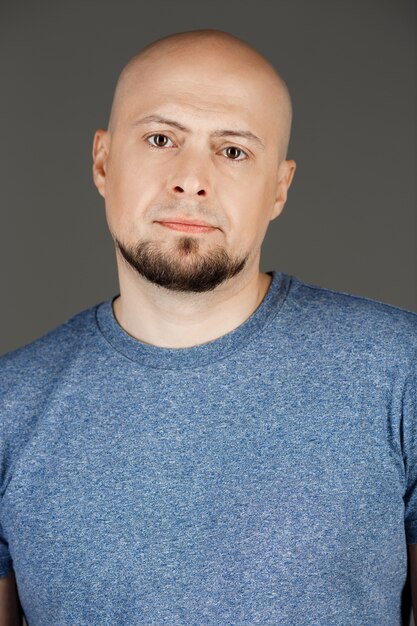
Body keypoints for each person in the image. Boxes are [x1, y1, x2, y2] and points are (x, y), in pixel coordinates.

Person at [0, 28, 416, 626]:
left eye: (233, 151)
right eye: (162, 137)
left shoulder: (402, 372)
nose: (191, 179)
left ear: (279, 188)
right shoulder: (11, 409)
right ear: (103, 160)